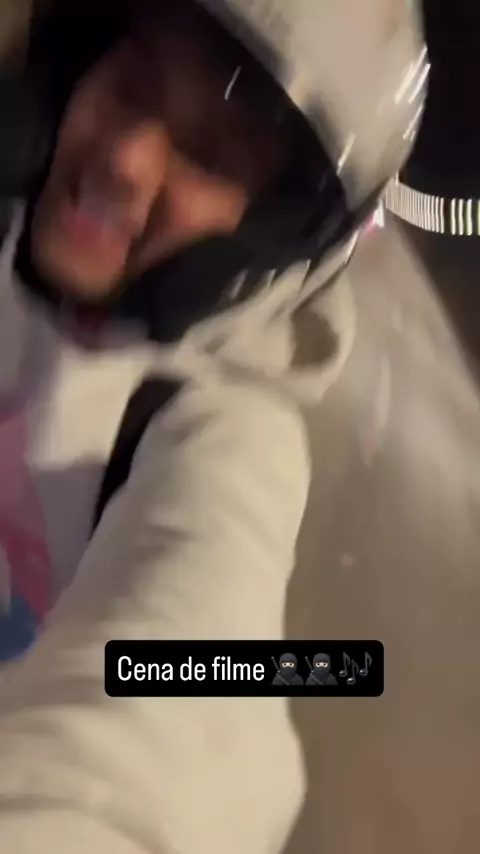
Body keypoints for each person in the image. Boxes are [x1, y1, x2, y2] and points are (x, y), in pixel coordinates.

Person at [0, 1, 426, 852]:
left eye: (211, 155)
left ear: (269, 235)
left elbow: (180, 714)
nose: (126, 156)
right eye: (131, 86)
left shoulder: (226, 430)